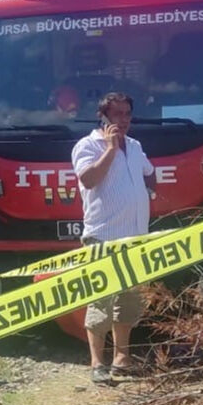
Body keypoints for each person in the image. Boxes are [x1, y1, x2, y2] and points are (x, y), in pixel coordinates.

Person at [71, 92, 155, 385]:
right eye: (117, 114)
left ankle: (122, 359)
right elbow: (89, 179)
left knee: (130, 301)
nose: (124, 120)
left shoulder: (136, 146)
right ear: (102, 117)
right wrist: (110, 148)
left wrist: (149, 192)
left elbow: (150, 172)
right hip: (103, 238)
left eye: (127, 114)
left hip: (137, 238)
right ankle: (97, 363)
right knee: (101, 302)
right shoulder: (87, 145)